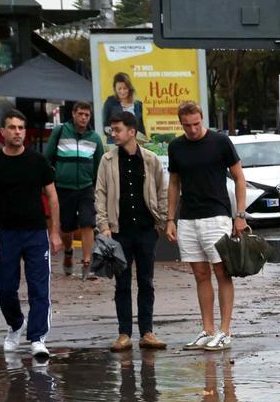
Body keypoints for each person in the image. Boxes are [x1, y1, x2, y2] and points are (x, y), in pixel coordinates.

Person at [0, 107, 58, 358]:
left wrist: (55, 232)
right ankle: (16, 324)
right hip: (6, 233)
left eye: (21, 128)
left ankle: (38, 337)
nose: (17, 132)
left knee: (39, 288)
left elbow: (52, 197)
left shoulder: (38, 161)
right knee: (5, 287)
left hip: (36, 233)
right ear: (2, 131)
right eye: (12, 127)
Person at [164, 99, 248, 349]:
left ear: (203, 119)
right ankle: (207, 329)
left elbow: (239, 177)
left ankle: (225, 331)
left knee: (222, 271)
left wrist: (240, 215)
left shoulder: (220, 142)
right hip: (188, 217)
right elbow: (174, 184)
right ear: (181, 123)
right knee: (200, 274)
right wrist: (171, 218)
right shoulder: (176, 147)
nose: (192, 129)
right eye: (187, 125)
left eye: (196, 123)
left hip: (217, 215)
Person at [93, 108, 170, 352]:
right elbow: (101, 194)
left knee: (147, 281)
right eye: (111, 130)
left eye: (117, 130)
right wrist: (104, 225)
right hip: (119, 232)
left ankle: (147, 332)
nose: (113, 134)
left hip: (146, 230)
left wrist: (163, 220)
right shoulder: (107, 160)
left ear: (132, 131)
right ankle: (124, 333)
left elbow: (162, 190)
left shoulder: (150, 159)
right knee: (122, 283)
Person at [48, 102, 103, 277]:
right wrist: (50, 181)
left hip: (86, 187)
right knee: (67, 227)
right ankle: (69, 251)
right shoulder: (60, 131)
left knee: (88, 222)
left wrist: (97, 187)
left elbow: (100, 165)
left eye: (87, 115)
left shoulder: (94, 138)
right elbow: (47, 158)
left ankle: (87, 262)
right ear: (73, 114)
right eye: (80, 114)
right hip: (63, 187)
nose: (84, 118)